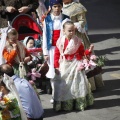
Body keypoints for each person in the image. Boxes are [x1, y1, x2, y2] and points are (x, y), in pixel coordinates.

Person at [53, 21, 94, 111]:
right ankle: (64, 104)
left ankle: (78, 103)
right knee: (63, 85)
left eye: (73, 31)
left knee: (78, 83)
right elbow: (56, 54)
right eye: (69, 31)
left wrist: (89, 51)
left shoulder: (78, 41)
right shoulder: (60, 41)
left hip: (76, 64)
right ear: (64, 31)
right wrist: (56, 66)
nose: (72, 32)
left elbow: (82, 53)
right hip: (64, 65)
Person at [42, 0, 69, 103]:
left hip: (63, 50)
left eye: (58, 6)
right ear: (51, 7)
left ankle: (64, 94)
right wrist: (45, 52)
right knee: (53, 73)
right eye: (54, 6)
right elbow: (45, 36)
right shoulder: (47, 20)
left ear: (61, 7)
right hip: (52, 49)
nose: (57, 9)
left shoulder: (66, 18)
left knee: (63, 71)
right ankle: (55, 95)